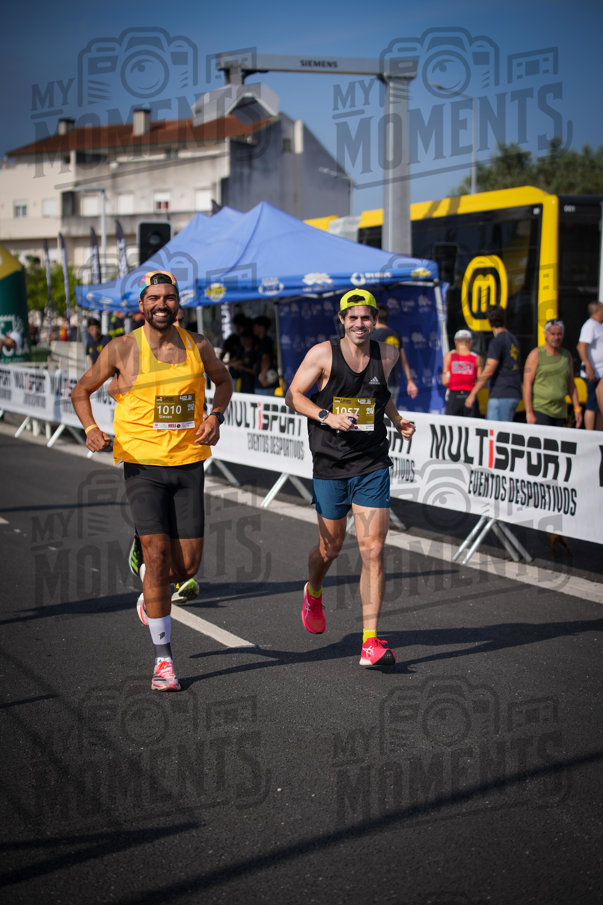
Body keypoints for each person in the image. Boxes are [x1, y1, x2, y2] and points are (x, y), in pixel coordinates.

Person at [72, 271, 233, 693]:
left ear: (178, 304)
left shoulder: (198, 345)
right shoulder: (122, 348)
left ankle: (147, 578)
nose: (162, 304)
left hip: (188, 464)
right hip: (142, 464)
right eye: (154, 298)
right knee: (157, 555)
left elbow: (224, 382)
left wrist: (215, 416)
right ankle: (164, 660)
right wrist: (90, 429)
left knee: (188, 568)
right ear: (141, 305)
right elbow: (81, 391)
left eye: (170, 297)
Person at [285, 289, 416, 668]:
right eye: (352, 317)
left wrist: (396, 420)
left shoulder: (387, 354)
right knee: (330, 548)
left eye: (366, 317)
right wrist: (326, 416)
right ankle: (314, 590)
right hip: (330, 465)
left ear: (375, 320)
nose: (360, 324)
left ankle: (370, 642)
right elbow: (293, 395)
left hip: (372, 462)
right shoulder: (322, 354)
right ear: (341, 320)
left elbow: (381, 396)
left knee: (373, 548)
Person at [464, 305, 521, 422]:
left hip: (502, 394)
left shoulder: (497, 341)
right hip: (513, 392)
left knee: (497, 435)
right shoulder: (513, 339)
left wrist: (473, 393)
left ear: (488, 321)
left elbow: (489, 370)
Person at [523, 320, 582, 428]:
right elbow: (527, 384)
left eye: (559, 334)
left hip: (561, 412)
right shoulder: (536, 354)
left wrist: (577, 408)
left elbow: (571, 384)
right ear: (545, 334)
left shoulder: (566, 355)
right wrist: (529, 412)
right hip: (541, 410)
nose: (556, 337)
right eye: (553, 334)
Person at [372, 305, 419, 399]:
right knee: (390, 413)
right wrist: (409, 381)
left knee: (374, 413)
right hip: (393, 383)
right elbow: (404, 360)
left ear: (374, 317)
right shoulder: (396, 335)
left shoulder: (373, 335)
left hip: (375, 384)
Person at [442, 329, 483, 417]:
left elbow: (444, 381)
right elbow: (481, 381)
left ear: (456, 342)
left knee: (451, 427)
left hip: (454, 397)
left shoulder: (449, 356)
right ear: (470, 342)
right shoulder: (477, 358)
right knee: (471, 428)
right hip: (470, 397)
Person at [577, 300, 603, 430]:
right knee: (593, 404)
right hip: (593, 373)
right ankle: (590, 434)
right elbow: (581, 346)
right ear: (597, 311)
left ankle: (598, 434)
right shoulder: (590, 325)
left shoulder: (598, 325)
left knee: (599, 407)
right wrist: (588, 366)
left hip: (600, 373)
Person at [253, 315, 279, 395]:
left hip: (265, 385)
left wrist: (262, 377)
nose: (253, 329)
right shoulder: (267, 340)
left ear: (261, 327)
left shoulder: (265, 341)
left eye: (255, 326)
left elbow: (266, 358)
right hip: (268, 382)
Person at [221, 313, 249, 384]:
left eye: (240, 326)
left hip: (248, 376)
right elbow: (222, 356)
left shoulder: (251, 338)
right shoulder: (231, 339)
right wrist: (231, 363)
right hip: (234, 374)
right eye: (236, 326)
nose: (237, 328)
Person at [229, 328, 257, 394]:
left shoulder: (254, 353)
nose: (243, 340)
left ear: (250, 340)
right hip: (242, 383)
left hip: (251, 385)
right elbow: (235, 362)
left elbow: (255, 371)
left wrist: (242, 368)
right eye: (242, 338)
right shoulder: (241, 352)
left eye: (245, 338)